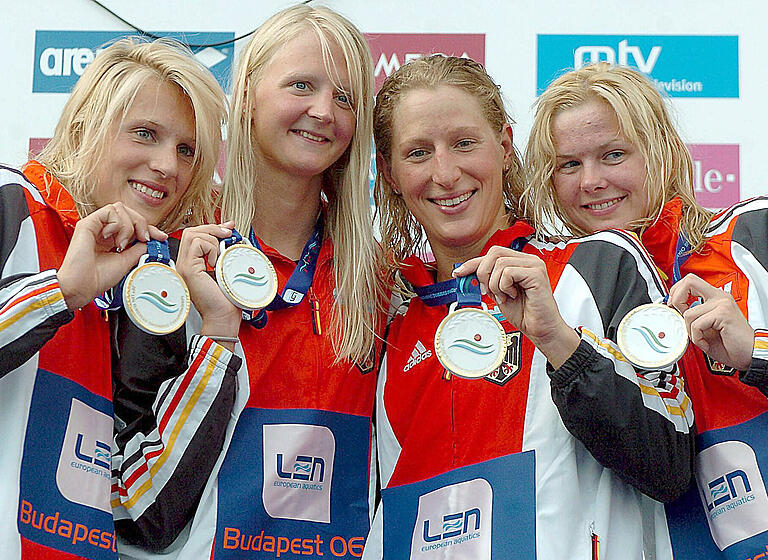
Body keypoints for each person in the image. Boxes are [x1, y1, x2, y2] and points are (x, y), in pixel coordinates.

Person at [363, 54, 694, 560]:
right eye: (418, 153)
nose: (446, 174)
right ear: (387, 173)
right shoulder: (385, 311)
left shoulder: (597, 266)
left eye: (464, 143)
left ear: (504, 146)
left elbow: (669, 463)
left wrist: (561, 344)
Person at [116, 6, 386, 559]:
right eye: (301, 85)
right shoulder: (173, 258)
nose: (322, 111)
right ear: (246, 96)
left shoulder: (379, 283)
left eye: (345, 98)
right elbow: (131, 504)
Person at [526, 62, 768, 559]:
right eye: (569, 165)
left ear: (661, 151)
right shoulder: (556, 303)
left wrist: (757, 353)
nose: (591, 182)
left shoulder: (753, 235)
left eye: (613, 155)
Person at [0, 38, 227, 559]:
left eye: (186, 150)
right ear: (86, 127)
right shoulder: (11, 202)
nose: (168, 166)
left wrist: (216, 336)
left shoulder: (154, 291)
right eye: (146, 134)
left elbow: (140, 517)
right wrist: (60, 292)